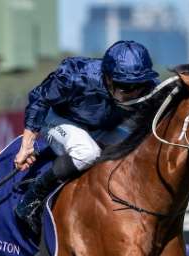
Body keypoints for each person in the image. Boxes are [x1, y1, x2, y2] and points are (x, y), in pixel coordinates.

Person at [13, 40, 159, 235]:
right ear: (108, 78)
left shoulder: (150, 88)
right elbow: (39, 99)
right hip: (59, 119)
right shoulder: (76, 75)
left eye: (139, 86)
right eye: (125, 87)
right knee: (87, 152)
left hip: (101, 126)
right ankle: (31, 199)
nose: (133, 93)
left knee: (139, 151)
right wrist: (26, 146)